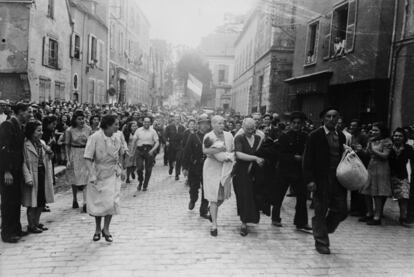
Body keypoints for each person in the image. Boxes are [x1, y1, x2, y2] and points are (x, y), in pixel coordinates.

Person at [303, 107, 347, 255]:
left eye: (335, 116)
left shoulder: (341, 136)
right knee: (320, 211)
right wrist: (310, 180)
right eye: (328, 116)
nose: (331, 119)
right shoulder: (315, 135)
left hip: (338, 178)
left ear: (338, 119)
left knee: (342, 210)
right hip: (321, 179)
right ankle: (321, 242)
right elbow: (307, 159)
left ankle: (322, 230)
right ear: (323, 119)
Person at [84, 115, 126, 243]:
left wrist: (122, 169)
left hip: (113, 173)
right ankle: (97, 229)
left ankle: (106, 229)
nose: (118, 127)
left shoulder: (117, 137)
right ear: (107, 125)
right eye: (115, 124)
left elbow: (121, 154)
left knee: (112, 202)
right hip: (99, 173)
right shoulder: (95, 137)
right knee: (99, 202)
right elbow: (87, 157)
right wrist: (92, 174)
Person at [272, 111, 312, 232]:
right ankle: (275, 218)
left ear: (302, 124)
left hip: (299, 172)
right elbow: (278, 154)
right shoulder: (284, 136)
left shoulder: (306, 137)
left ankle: (301, 222)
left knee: (302, 197)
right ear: (290, 123)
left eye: (299, 123)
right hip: (284, 171)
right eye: (294, 123)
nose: (296, 125)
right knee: (279, 195)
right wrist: (293, 157)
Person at [0, 102, 32, 243]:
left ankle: (16, 228)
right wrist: (6, 171)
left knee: (16, 200)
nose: (30, 115)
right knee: (8, 201)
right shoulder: (7, 125)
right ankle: (7, 233)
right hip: (9, 170)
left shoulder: (19, 126)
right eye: (28, 112)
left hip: (17, 168)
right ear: (20, 112)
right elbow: (4, 149)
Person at [203, 115, 234, 237]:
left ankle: (211, 211)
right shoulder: (209, 136)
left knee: (222, 196)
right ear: (213, 124)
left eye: (223, 123)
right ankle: (214, 225)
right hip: (212, 168)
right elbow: (205, 151)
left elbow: (232, 150)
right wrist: (220, 149)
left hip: (225, 168)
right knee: (214, 197)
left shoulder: (229, 135)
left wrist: (229, 156)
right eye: (219, 123)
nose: (222, 125)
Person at [233, 118, 265, 236]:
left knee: (254, 196)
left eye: (252, 129)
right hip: (241, 173)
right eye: (248, 129)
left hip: (255, 172)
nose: (250, 131)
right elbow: (239, 154)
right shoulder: (239, 138)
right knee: (244, 197)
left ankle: (251, 218)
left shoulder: (258, 138)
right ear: (243, 127)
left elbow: (262, 152)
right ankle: (244, 223)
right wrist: (255, 158)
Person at [22, 121, 54, 233]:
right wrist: (28, 177)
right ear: (31, 132)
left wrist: (50, 152)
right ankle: (31, 225)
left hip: (42, 173)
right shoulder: (25, 145)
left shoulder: (42, 143)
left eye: (41, 130)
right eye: (38, 130)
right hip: (32, 174)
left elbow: (48, 158)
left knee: (41, 200)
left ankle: (37, 222)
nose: (41, 132)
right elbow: (23, 163)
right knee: (32, 201)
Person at [360, 122, 392, 225]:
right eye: (372, 130)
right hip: (371, 166)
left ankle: (377, 216)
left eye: (376, 130)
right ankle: (369, 213)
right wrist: (361, 150)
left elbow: (385, 156)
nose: (373, 132)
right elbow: (367, 153)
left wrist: (373, 150)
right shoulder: (371, 140)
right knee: (367, 190)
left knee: (377, 193)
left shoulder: (387, 141)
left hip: (381, 168)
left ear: (381, 131)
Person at [182, 115, 211, 220]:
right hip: (195, 166)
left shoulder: (211, 136)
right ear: (198, 125)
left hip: (208, 167)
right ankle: (193, 199)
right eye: (202, 124)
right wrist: (185, 167)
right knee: (194, 187)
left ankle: (203, 210)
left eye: (207, 123)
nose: (205, 126)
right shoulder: (193, 136)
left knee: (207, 190)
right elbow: (186, 152)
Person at [65, 110, 92, 212]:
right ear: (75, 120)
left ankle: (85, 202)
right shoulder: (69, 130)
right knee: (75, 178)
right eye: (79, 119)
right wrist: (67, 159)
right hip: (74, 153)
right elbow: (67, 145)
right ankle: (75, 198)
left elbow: (91, 143)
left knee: (86, 177)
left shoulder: (88, 129)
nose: (82, 121)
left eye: (83, 118)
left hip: (85, 153)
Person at [389, 128, 414, 226]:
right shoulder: (389, 146)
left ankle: (403, 217)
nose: (397, 138)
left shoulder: (408, 148)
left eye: (400, 136)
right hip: (388, 174)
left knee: (403, 197)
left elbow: (412, 160)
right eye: (395, 135)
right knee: (382, 196)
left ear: (404, 138)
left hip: (402, 176)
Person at [132, 117, 159, 192]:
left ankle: (145, 184)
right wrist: (132, 150)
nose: (146, 123)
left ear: (150, 123)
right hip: (139, 150)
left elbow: (157, 142)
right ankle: (140, 181)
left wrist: (152, 150)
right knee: (139, 168)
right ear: (143, 122)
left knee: (148, 169)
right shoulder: (138, 130)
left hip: (149, 150)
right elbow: (134, 140)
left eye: (148, 122)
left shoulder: (153, 131)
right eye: (145, 122)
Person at [348, 119, 369, 217]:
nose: (352, 127)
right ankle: (354, 208)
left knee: (360, 187)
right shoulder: (352, 136)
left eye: (354, 126)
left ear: (358, 127)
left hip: (361, 163)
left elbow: (366, 150)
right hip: (354, 163)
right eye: (351, 126)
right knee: (354, 186)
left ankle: (361, 209)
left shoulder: (363, 137)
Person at [164, 115, 186, 180]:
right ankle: (171, 167)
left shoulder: (182, 127)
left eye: (178, 119)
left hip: (179, 145)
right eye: (176, 119)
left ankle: (177, 174)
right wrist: (166, 141)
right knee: (171, 159)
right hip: (171, 145)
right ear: (174, 119)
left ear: (180, 120)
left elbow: (185, 136)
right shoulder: (169, 127)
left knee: (179, 159)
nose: (177, 120)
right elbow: (164, 136)